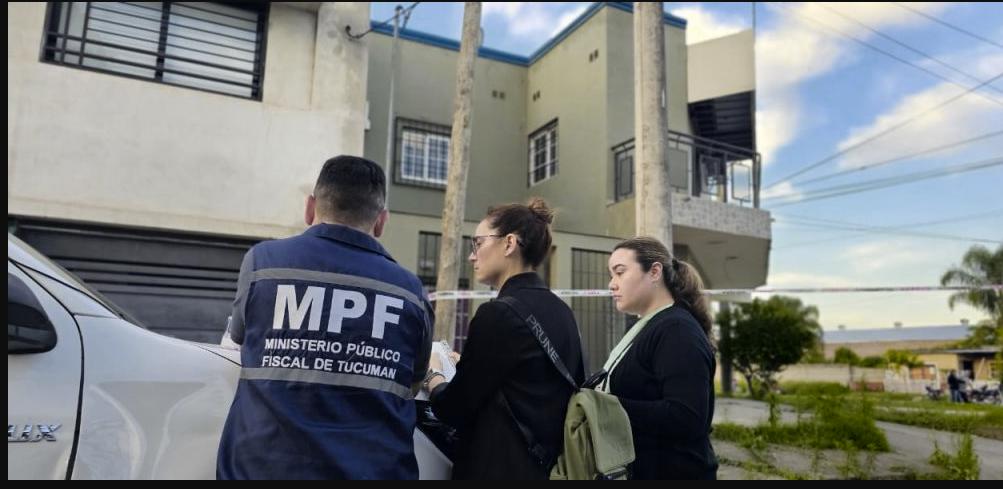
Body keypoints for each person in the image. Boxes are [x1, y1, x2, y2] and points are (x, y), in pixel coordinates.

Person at [216, 155, 433, 479]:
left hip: (261, 469)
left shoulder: (263, 263)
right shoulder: (411, 292)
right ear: (380, 221)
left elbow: (235, 346)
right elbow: (412, 384)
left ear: (310, 208)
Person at [425, 198, 586, 479]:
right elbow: (532, 384)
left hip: (496, 467)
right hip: (548, 468)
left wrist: (434, 376)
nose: (472, 256)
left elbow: (453, 408)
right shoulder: (563, 312)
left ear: (509, 243)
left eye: (478, 243)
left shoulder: (498, 313)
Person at [599, 236, 718, 479]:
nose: (612, 284)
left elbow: (687, 417)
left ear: (654, 272)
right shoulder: (649, 326)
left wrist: (605, 407)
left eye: (620, 272)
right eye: (611, 275)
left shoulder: (677, 330)